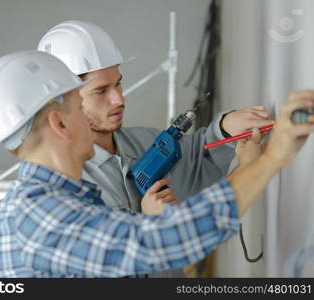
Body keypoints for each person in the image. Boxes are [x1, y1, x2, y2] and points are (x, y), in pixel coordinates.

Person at [0, 50, 314, 277]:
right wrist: (273, 158)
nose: (115, 101)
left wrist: (236, 143)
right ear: (60, 125)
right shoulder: (38, 216)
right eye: (80, 108)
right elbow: (162, 241)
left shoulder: (67, 202)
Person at [37, 20, 273, 277]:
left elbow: (197, 155)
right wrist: (150, 228)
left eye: (118, 83)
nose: (119, 98)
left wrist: (225, 128)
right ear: (63, 101)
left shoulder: (143, 141)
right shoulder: (65, 190)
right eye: (101, 91)